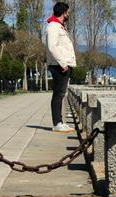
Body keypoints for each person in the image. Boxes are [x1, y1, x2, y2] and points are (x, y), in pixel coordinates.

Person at [45, 2, 76, 133]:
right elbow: (52, 46)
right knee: (58, 94)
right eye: (68, 12)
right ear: (63, 12)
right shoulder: (53, 27)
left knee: (60, 94)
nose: (68, 14)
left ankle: (60, 122)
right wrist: (63, 63)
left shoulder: (59, 26)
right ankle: (57, 123)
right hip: (59, 65)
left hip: (63, 64)